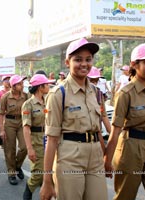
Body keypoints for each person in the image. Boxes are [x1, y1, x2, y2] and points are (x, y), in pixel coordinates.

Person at [40, 38, 107, 200]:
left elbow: (97, 130)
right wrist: (47, 181)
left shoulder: (95, 92)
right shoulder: (58, 94)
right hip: (70, 158)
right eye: (78, 59)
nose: (84, 64)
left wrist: (107, 158)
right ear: (67, 62)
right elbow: (52, 140)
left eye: (88, 59)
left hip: (96, 158)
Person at [104, 43, 145, 200]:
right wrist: (107, 160)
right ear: (134, 64)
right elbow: (115, 130)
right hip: (131, 148)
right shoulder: (126, 94)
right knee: (125, 196)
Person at [21, 74, 53, 200]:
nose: (49, 86)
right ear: (40, 87)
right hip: (36, 141)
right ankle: (27, 194)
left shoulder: (48, 101)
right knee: (38, 174)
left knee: (50, 172)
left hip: (49, 140)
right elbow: (26, 127)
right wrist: (30, 149)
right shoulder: (28, 104)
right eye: (47, 84)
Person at [0, 74, 28, 185]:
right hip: (9, 123)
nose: (22, 85)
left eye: (22, 83)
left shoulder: (26, 96)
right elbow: (1, 114)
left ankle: (17, 166)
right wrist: (1, 130)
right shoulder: (5, 97)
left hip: (22, 123)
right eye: (20, 84)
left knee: (24, 147)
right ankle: (11, 174)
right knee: (10, 150)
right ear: (13, 86)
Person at [87, 67, 111, 134]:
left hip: (96, 132)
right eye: (91, 81)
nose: (94, 84)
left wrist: (111, 134)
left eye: (96, 81)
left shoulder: (99, 94)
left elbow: (104, 115)